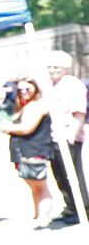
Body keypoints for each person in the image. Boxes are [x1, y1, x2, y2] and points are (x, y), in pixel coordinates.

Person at [1, 77, 55, 229]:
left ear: (36, 88)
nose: (24, 92)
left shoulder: (38, 106)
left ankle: (44, 218)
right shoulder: (24, 106)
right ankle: (38, 214)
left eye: (27, 89)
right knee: (33, 186)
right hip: (23, 151)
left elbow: (27, 128)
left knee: (40, 185)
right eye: (20, 90)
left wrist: (8, 128)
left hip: (35, 149)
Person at [44, 50, 87, 224]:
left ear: (66, 68)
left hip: (68, 136)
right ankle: (70, 207)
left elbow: (79, 112)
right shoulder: (51, 85)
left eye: (57, 67)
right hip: (54, 136)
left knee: (73, 174)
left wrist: (71, 135)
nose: (52, 70)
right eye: (50, 66)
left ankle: (82, 208)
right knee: (59, 174)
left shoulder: (73, 85)